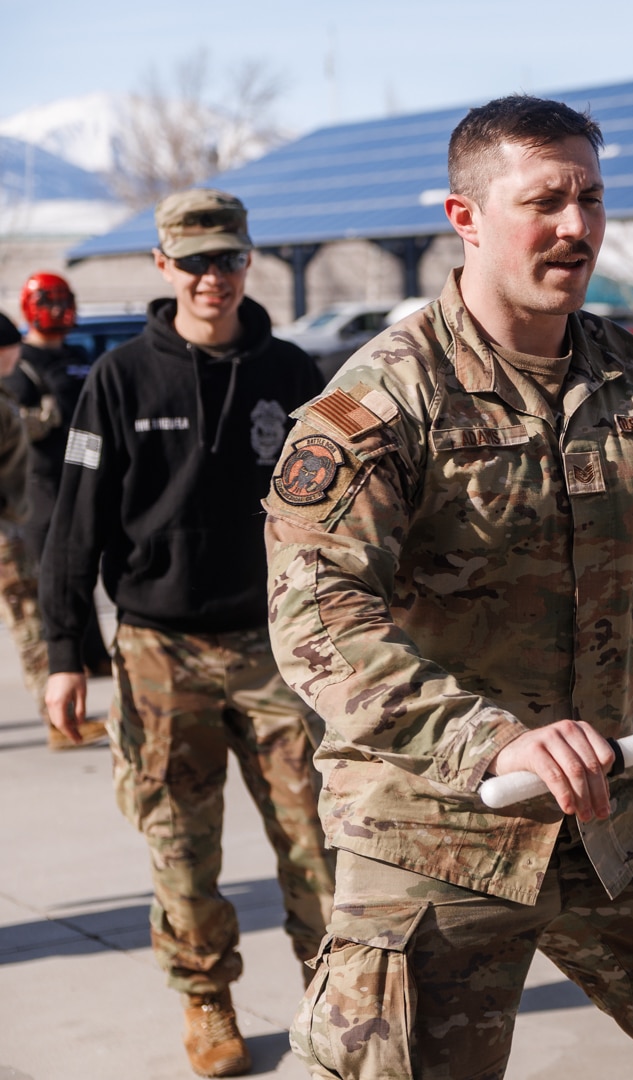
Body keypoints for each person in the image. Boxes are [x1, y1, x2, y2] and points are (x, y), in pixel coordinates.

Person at [263, 96, 633, 1080]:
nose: (578, 225)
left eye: (592, 197)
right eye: (544, 199)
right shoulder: (376, 407)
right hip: (439, 837)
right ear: (464, 216)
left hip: (625, 827)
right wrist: (494, 737)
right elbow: (319, 617)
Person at [40, 189, 335, 1079]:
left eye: (230, 258)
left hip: (280, 648)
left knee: (319, 838)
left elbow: (347, 510)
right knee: (180, 843)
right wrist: (65, 655)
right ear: (164, 268)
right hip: (158, 651)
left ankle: (335, 997)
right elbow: (74, 526)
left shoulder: (292, 373)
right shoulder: (122, 378)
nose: (214, 277)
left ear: (250, 262)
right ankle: (207, 1003)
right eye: (195, 260)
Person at [3, 271, 115, 680]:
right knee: (53, 578)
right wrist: (39, 418)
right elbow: (12, 422)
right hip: (41, 488)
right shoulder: (21, 363)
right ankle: (66, 666)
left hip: (81, 478)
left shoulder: (75, 358)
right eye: (48, 301)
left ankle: (95, 654)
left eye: (63, 300)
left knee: (84, 570)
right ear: (30, 307)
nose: (58, 310)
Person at [0, 312, 68, 742]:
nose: (17, 354)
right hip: (5, 532)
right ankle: (58, 721)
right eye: (11, 349)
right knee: (29, 622)